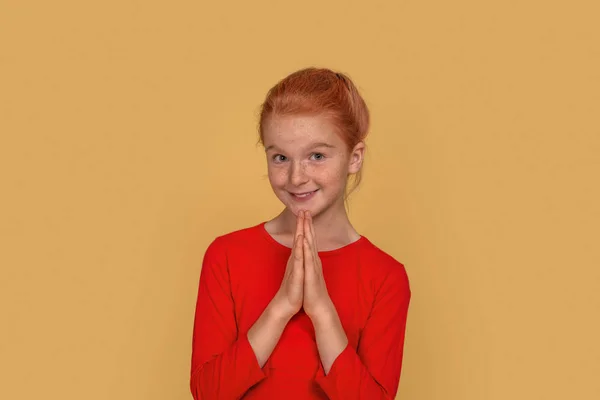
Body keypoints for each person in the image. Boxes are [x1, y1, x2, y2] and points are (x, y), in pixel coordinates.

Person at [189, 67, 411, 399]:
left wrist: (321, 311)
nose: (296, 178)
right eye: (280, 157)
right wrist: (282, 306)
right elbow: (208, 393)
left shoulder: (386, 277)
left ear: (354, 157)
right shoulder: (226, 255)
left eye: (316, 156)